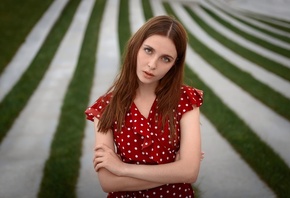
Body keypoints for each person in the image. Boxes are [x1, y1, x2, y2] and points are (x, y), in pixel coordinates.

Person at [85, 15, 204, 198]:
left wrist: (122, 168)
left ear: (174, 64)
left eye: (166, 59)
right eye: (148, 50)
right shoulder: (105, 107)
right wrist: (174, 170)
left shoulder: (185, 100)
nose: (152, 64)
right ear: (135, 47)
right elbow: (108, 183)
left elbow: (189, 172)